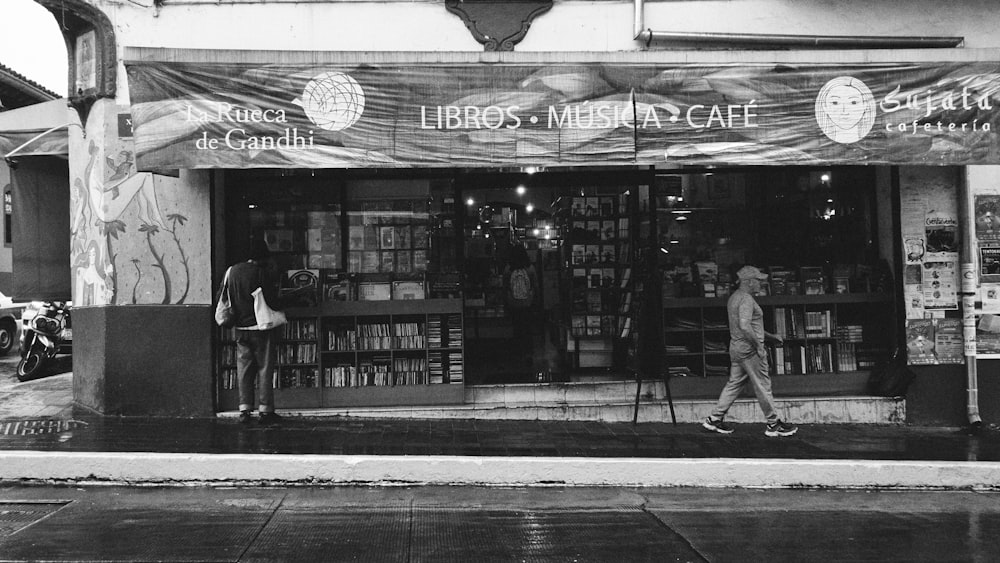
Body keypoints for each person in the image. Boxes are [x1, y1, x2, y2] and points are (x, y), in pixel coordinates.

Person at [702, 265, 798, 437]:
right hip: (750, 350)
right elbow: (746, 326)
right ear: (749, 281)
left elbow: (749, 326)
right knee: (763, 385)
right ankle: (773, 424)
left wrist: (770, 337)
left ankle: (714, 419)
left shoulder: (734, 298)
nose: (761, 283)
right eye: (759, 280)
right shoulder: (746, 299)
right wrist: (760, 346)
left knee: (734, 384)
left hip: (737, 348)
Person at [223, 237, 285, 425]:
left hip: (240, 329)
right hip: (260, 328)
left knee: (244, 370)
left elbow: (223, 296)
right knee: (265, 368)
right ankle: (265, 410)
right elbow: (271, 300)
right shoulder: (260, 273)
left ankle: (244, 409)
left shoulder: (231, 271)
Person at [504, 244, 539, 370]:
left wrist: (507, 303)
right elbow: (535, 286)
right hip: (527, 303)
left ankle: (518, 354)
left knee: (517, 329)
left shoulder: (508, 269)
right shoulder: (530, 268)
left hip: (514, 304)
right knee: (527, 329)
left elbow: (505, 287)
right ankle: (528, 354)